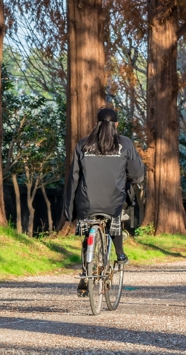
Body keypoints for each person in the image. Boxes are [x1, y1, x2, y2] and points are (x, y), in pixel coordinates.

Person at [65, 107, 145, 295]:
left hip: (86, 202)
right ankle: (120, 254)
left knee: (88, 229)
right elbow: (137, 173)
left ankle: (87, 269)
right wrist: (133, 181)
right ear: (116, 124)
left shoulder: (83, 144)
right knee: (115, 218)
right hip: (113, 201)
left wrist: (70, 209)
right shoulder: (124, 144)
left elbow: (74, 177)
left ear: (97, 124)